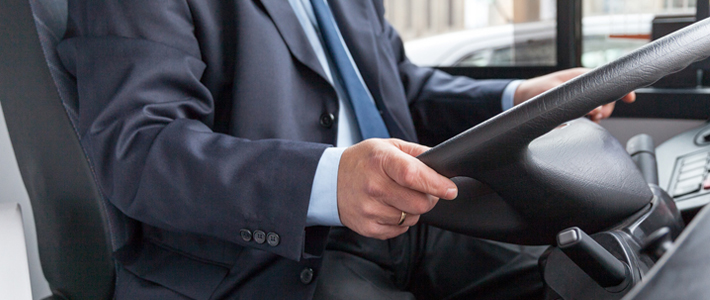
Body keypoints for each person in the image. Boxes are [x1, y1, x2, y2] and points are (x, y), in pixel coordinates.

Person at [57, 0, 634, 299]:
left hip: (418, 219)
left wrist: (516, 95)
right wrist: (329, 181)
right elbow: (139, 147)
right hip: (275, 257)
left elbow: (400, 89)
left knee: (589, 275)